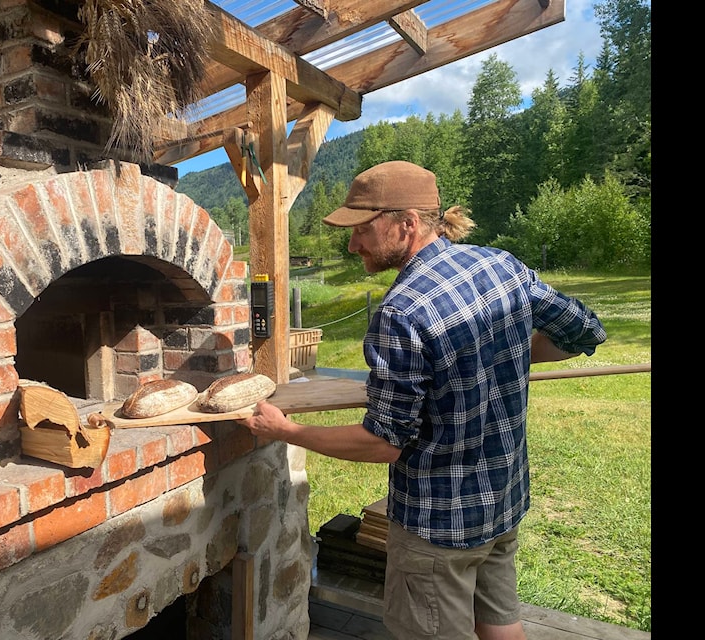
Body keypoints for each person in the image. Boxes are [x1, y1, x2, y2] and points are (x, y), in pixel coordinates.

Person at [238, 161, 607, 640]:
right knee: (502, 626)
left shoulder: (402, 311)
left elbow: (383, 443)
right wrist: (506, 354)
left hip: (438, 526)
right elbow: (585, 331)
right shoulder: (502, 266)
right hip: (504, 500)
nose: (352, 245)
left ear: (407, 223)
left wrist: (285, 430)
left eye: (362, 230)